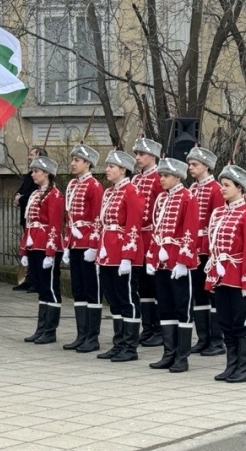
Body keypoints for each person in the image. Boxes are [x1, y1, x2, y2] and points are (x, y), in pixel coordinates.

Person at [205, 164, 246, 383]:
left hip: (239, 277)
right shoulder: (219, 212)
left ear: (240, 188)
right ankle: (231, 365)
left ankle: (244, 369)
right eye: (222, 184)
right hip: (222, 275)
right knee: (225, 322)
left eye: (227, 185)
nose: (222, 189)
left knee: (241, 323)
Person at [145, 158, 200, 373]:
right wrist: (151, 258)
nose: (161, 179)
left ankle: (182, 357)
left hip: (178, 261)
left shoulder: (188, 198)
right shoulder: (161, 198)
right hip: (162, 260)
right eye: (160, 175)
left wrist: (183, 261)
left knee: (182, 308)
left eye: (166, 176)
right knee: (165, 306)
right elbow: (156, 230)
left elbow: (190, 232)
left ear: (177, 177)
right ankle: (169, 353)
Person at [96, 149, 144, 362]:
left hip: (123, 252)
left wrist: (128, 256)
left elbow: (133, 225)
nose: (107, 169)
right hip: (107, 252)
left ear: (123, 170)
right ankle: (119, 343)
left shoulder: (131, 191)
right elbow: (103, 222)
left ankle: (130, 346)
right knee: (113, 299)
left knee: (127, 299)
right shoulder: (109, 192)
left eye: (111, 166)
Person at [62, 143, 104, 353]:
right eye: (73, 160)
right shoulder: (72, 184)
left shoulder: (94, 186)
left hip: (88, 243)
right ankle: (81, 334)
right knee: (78, 289)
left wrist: (94, 245)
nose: (72, 163)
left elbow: (98, 217)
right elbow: (68, 217)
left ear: (87, 163)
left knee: (91, 289)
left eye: (77, 160)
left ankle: (92, 336)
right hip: (75, 242)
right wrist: (67, 243)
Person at [20, 155, 65, 344]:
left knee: (50, 287)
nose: (33, 174)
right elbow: (29, 223)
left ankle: (50, 330)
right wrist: (24, 250)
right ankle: (41, 328)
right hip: (34, 244)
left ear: (46, 173)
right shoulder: (34, 194)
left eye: (36, 171)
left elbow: (55, 225)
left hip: (47, 245)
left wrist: (50, 252)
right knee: (41, 288)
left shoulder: (55, 195)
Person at [187, 146, 226, 356]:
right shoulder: (192, 188)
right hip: (194, 247)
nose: (191, 168)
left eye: (195, 164)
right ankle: (203, 338)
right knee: (198, 294)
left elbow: (217, 220)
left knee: (212, 294)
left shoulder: (216, 189)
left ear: (206, 166)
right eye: (190, 164)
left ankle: (217, 340)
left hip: (208, 248)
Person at [131, 137, 164, 347]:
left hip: (152, 236)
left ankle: (159, 328)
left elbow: (162, 210)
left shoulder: (159, 178)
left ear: (152, 156)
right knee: (142, 285)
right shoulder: (135, 179)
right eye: (136, 154)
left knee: (155, 284)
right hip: (138, 237)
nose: (137, 158)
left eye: (141, 154)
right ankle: (148, 326)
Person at [13, 146, 46, 292]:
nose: (29, 157)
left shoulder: (41, 179)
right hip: (27, 218)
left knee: (36, 251)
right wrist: (18, 196)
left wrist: (20, 199)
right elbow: (21, 190)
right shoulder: (29, 176)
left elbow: (31, 195)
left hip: (38, 223)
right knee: (29, 250)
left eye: (32, 155)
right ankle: (29, 279)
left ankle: (36, 281)